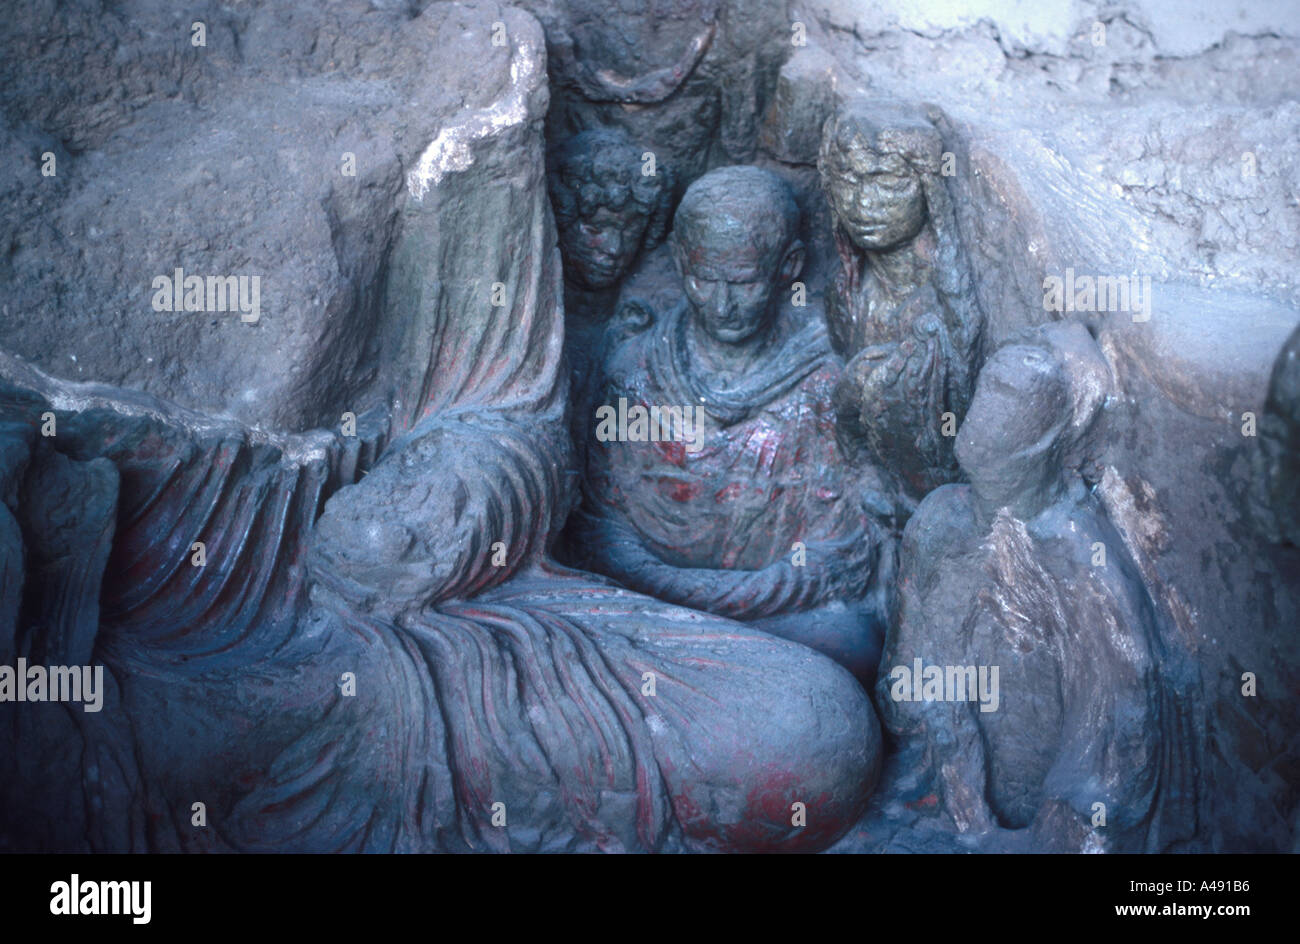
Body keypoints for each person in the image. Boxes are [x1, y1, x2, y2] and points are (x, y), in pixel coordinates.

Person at [574, 165, 893, 684]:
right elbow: (602, 535)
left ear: (788, 265)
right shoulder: (635, 372)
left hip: (778, 616)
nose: (722, 305)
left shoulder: (821, 384)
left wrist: (725, 598)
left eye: (743, 282)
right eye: (704, 280)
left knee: (854, 645)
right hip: (650, 607)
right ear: (681, 264)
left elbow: (838, 553)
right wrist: (687, 596)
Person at [818, 103, 984, 508]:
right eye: (848, 180)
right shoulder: (847, 291)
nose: (864, 204)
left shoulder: (940, 313)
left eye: (888, 183)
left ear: (929, 189)